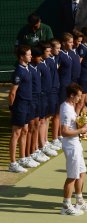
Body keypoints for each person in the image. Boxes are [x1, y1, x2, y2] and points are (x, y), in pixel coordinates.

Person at [60, 83, 87, 216]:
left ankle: (79, 201)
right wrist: (82, 129)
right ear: (71, 95)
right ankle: (66, 206)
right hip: (70, 145)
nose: (80, 99)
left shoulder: (70, 106)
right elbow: (64, 132)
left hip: (76, 143)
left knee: (81, 172)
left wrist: (82, 123)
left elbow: (72, 126)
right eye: (78, 96)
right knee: (72, 176)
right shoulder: (65, 109)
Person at [8, 45, 33, 173]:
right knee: (16, 133)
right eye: (28, 54)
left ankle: (22, 158)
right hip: (20, 105)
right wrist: (12, 107)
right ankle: (12, 163)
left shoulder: (27, 68)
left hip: (28, 104)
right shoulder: (18, 71)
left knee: (25, 130)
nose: (31, 56)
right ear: (22, 57)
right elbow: (12, 92)